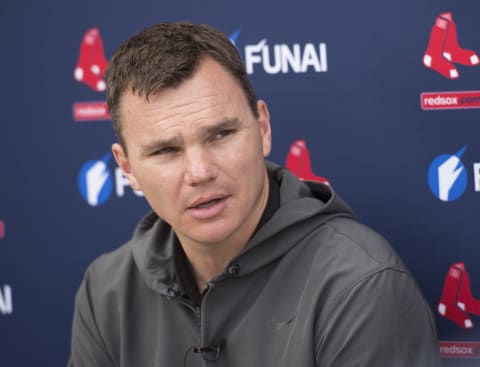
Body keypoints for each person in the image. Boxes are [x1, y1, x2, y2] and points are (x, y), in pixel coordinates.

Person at [68, 22, 441, 367]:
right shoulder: (106, 290)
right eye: (165, 151)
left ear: (262, 128)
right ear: (127, 167)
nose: (199, 172)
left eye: (221, 134)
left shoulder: (362, 285)